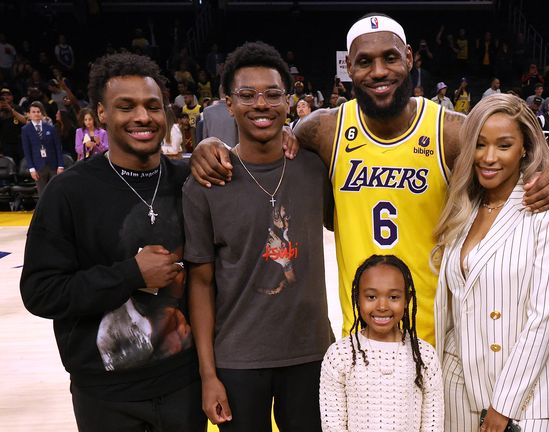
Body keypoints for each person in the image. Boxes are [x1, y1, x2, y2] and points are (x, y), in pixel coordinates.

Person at [189, 13, 549, 345]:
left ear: (409, 59)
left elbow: (506, 158)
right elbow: (265, 145)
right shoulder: (322, 130)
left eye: (390, 58)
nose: (379, 71)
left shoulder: (450, 131)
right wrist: (211, 143)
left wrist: (546, 176)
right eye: (365, 62)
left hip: (439, 331)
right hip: (361, 332)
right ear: (348, 68)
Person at [19, 52, 206, 432]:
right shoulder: (68, 192)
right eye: (126, 106)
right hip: (106, 395)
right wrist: (131, 274)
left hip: (184, 385)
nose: (143, 116)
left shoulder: (189, 179)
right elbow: (40, 292)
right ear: (102, 114)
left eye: (153, 106)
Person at [183, 41, 333, 431]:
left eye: (272, 94)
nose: (261, 105)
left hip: (311, 354)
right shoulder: (205, 182)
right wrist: (208, 375)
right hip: (237, 360)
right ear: (228, 104)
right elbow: (200, 283)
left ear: (289, 100)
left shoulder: (315, 167)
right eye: (247, 95)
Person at [432, 94, 549, 432]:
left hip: (528, 395)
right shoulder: (461, 208)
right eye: (480, 145)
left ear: (525, 147)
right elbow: (450, 312)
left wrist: (503, 406)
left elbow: (546, 317)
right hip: (460, 386)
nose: (489, 157)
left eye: (504, 145)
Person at [320, 255, 443, 431]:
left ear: (407, 300)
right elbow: (333, 424)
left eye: (393, 297)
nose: (382, 306)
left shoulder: (424, 355)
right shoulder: (340, 355)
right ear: (357, 298)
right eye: (371, 297)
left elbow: (433, 423)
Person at [21, 101, 64, 196]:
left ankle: (55, 211)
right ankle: (45, 211)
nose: (36, 114)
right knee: (42, 195)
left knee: (56, 193)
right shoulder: (25, 130)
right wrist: (32, 169)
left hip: (53, 165)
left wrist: (60, 165)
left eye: (38, 111)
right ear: (29, 114)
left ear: (42, 113)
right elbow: (27, 151)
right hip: (38, 166)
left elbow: (58, 147)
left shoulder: (50, 128)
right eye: (34, 112)